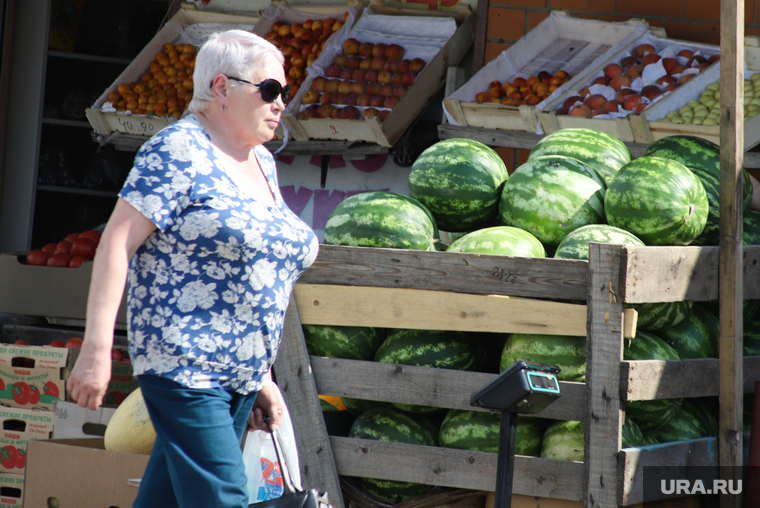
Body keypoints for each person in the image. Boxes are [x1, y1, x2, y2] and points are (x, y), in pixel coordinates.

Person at [66, 30, 319, 508]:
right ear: (222, 88)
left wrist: (261, 376)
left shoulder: (262, 162)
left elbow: (254, 270)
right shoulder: (177, 150)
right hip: (186, 366)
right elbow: (117, 241)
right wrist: (96, 349)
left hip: (239, 375)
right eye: (269, 90)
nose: (281, 102)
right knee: (221, 498)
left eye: (285, 90)